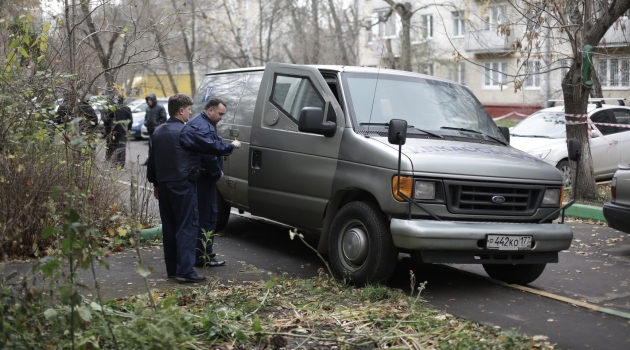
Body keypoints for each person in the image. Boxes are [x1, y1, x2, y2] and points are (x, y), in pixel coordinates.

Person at [146, 94, 240, 283]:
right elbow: (209, 146)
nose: (190, 113)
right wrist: (231, 146)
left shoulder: (158, 132)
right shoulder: (185, 131)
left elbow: (153, 162)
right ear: (181, 110)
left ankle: (172, 269)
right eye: (189, 110)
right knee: (187, 227)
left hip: (164, 187)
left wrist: (155, 184)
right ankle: (185, 271)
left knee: (170, 228)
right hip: (183, 184)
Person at [187, 98, 234, 268]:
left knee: (202, 216)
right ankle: (203, 257)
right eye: (220, 114)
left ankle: (201, 254)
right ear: (210, 111)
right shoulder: (204, 127)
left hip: (199, 177)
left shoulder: (201, 123)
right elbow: (208, 154)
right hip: (204, 178)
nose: (222, 117)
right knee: (207, 217)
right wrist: (216, 172)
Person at [103, 95, 133, 168]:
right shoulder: (127, 108)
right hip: (123, 130)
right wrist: (128, 129)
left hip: (114, 130)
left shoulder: (113, 108)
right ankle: (121, 164)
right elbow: (130, 120)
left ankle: (114, 163)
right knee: (122, 147)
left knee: (114, 146)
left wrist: (107, 127)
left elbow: (108, 119)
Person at [143, 93, 167, 165]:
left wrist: (157, 126)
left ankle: (158, 162)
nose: (149, 101)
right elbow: (146, 118)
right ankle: (150, 161)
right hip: (150, 130)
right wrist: (146, 123)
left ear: (153, 100)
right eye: (148, 100)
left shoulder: (160, 107)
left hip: (157, 131)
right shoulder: (148, 108)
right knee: (150, 147)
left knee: (157, 147)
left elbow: (163, 119)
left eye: (150, 100)